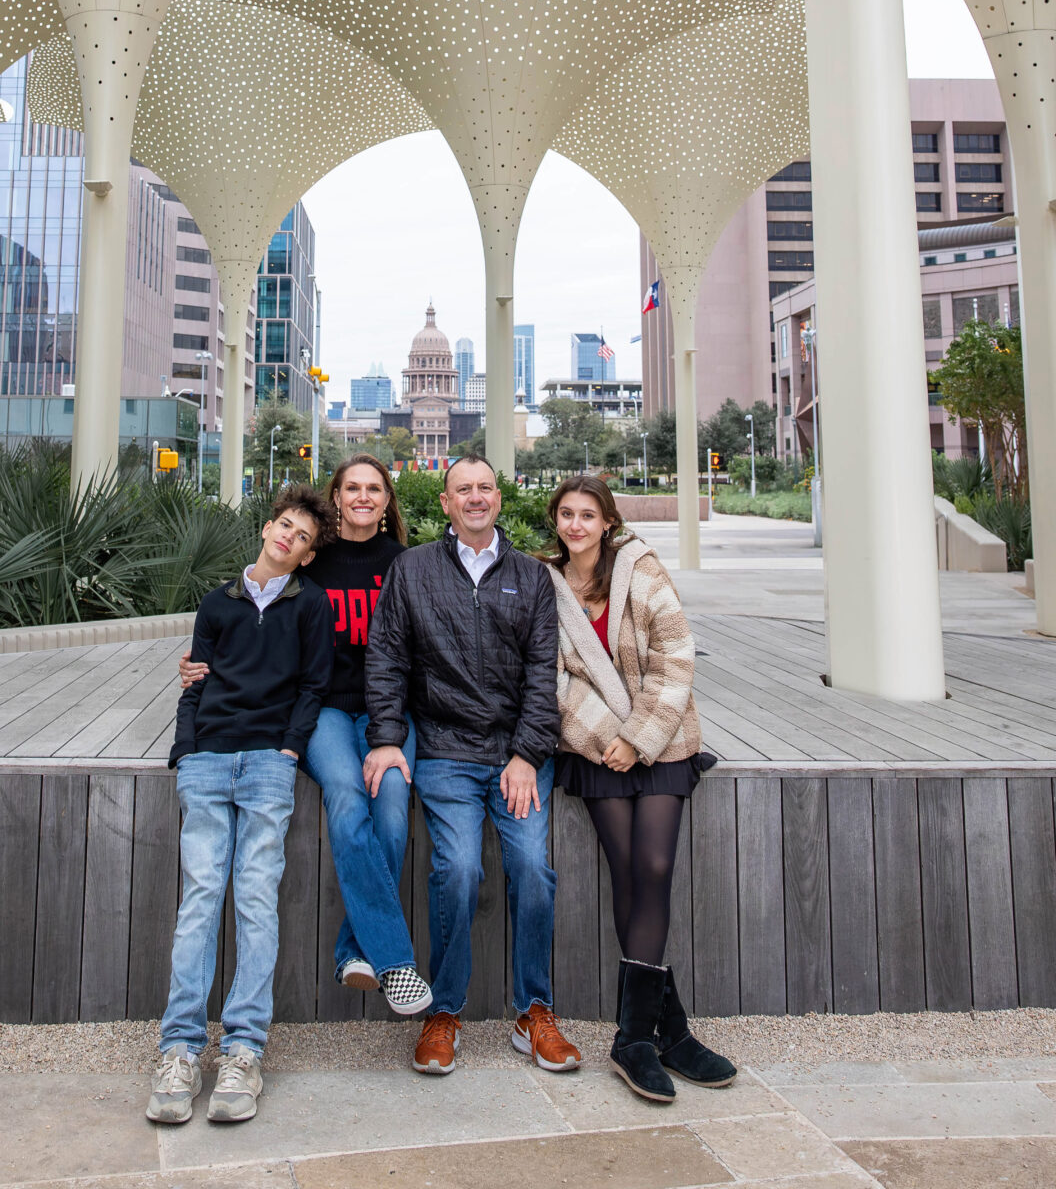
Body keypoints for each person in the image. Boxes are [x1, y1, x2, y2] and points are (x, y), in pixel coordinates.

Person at [178, 454, 431, 1015]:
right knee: (345, 794)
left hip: (391, 714)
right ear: (337, 498)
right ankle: (396, 962)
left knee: (391, 801)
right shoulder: (311, 561)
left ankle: (353, 949)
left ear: (388, 502)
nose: (363, 496)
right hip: (328, 710)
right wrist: (203, 663)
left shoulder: (408, 564)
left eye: (374, 489)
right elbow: (255, 613)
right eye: (352, 488)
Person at [364, 453, 582, 1078]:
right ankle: (446, 1012)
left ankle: (533, 1009)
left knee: (533, 870)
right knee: (457, 869)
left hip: (516, 753)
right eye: (464, 489)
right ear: (445, 503)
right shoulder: (411, 570)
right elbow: (387, 662)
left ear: (499, 499)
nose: (476, 497)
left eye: (486, 487)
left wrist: (526, 753)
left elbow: (545, 676)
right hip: (446, 751)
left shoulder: (531, 578)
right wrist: (385, 737)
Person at [147, 485, 334, 1128]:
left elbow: (313, 685)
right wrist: (185, 746)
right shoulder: (218, 602)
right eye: (284, 526)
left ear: (308, 556)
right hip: (206, 759)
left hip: (267, 766)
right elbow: (197, 676)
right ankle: (178, 1048)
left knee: (254, 895)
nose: (289, 538)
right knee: (201, 895)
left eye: (302, 537)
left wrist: (288, 750)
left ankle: (244, 1050)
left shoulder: (311, 606)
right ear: (266, 527)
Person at [545, 473, 735, 1102]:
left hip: (662, 741)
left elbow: (675, 657)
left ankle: (635, 1038)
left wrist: (639, 737)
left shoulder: (641, 570)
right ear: (557, 522)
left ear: (608, 522)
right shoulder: (546, 589)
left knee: (653, 866)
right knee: (626, 873)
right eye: (566, 514)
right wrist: (607, 741)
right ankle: (667, 1032)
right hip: (596, 747)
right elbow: (554, 681)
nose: (576, 525)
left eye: (588, 515)